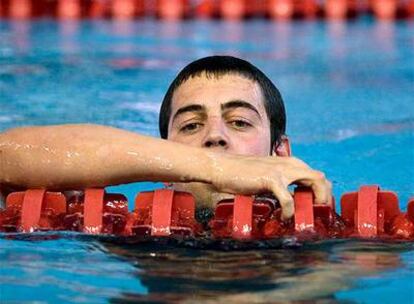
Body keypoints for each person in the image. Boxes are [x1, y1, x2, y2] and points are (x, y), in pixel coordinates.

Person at [0, 55, 331, 219]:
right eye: (190, 126)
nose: (215, 136)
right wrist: (216, 167)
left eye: (240, 122)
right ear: (164, 163)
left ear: (281, 154)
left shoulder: (336, 240)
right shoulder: (123, 231)